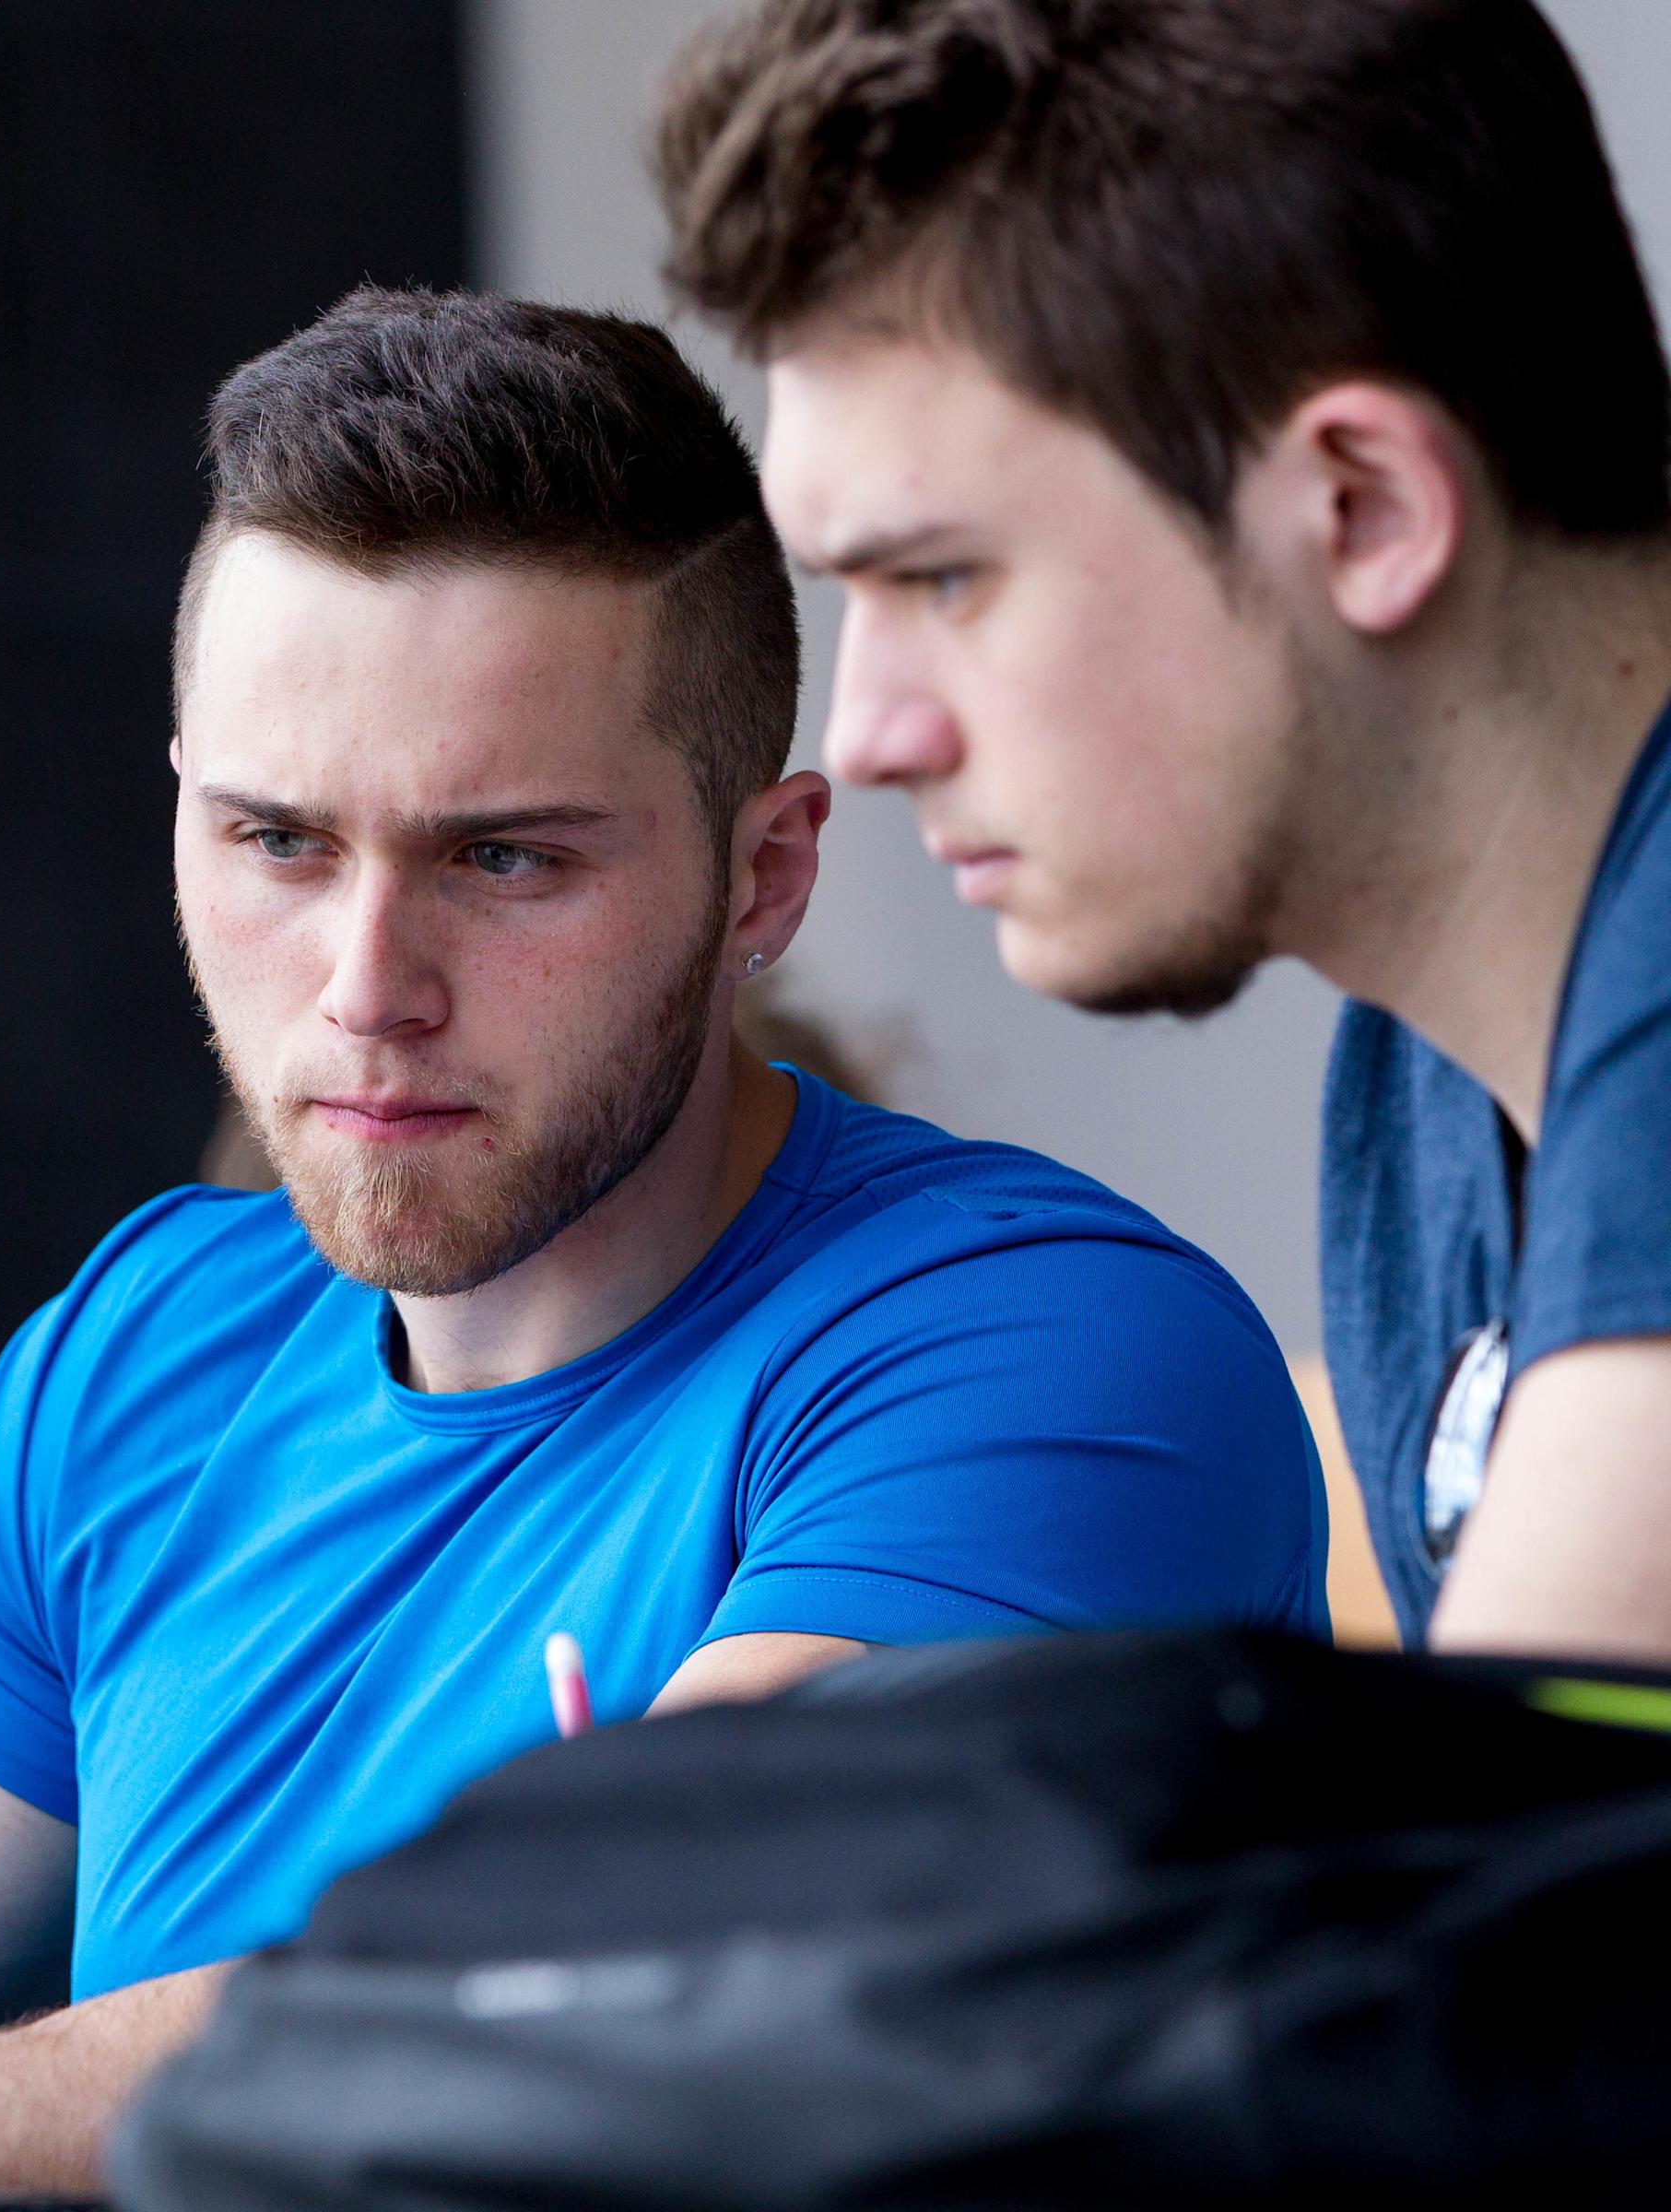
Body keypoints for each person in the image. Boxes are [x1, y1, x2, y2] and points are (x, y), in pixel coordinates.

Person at [0, 288, 1320, 2195]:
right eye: (278, 843)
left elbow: (578, 1995)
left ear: (763, 878)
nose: (367, 988)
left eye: (504, 859)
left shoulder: (1045, 1359)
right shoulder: (150, 1349)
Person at [657, 0, 1671, 1665]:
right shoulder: (1421, 1082)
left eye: (944, 578)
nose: (867, 737)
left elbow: (1523, 1837)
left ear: (1364, 509)